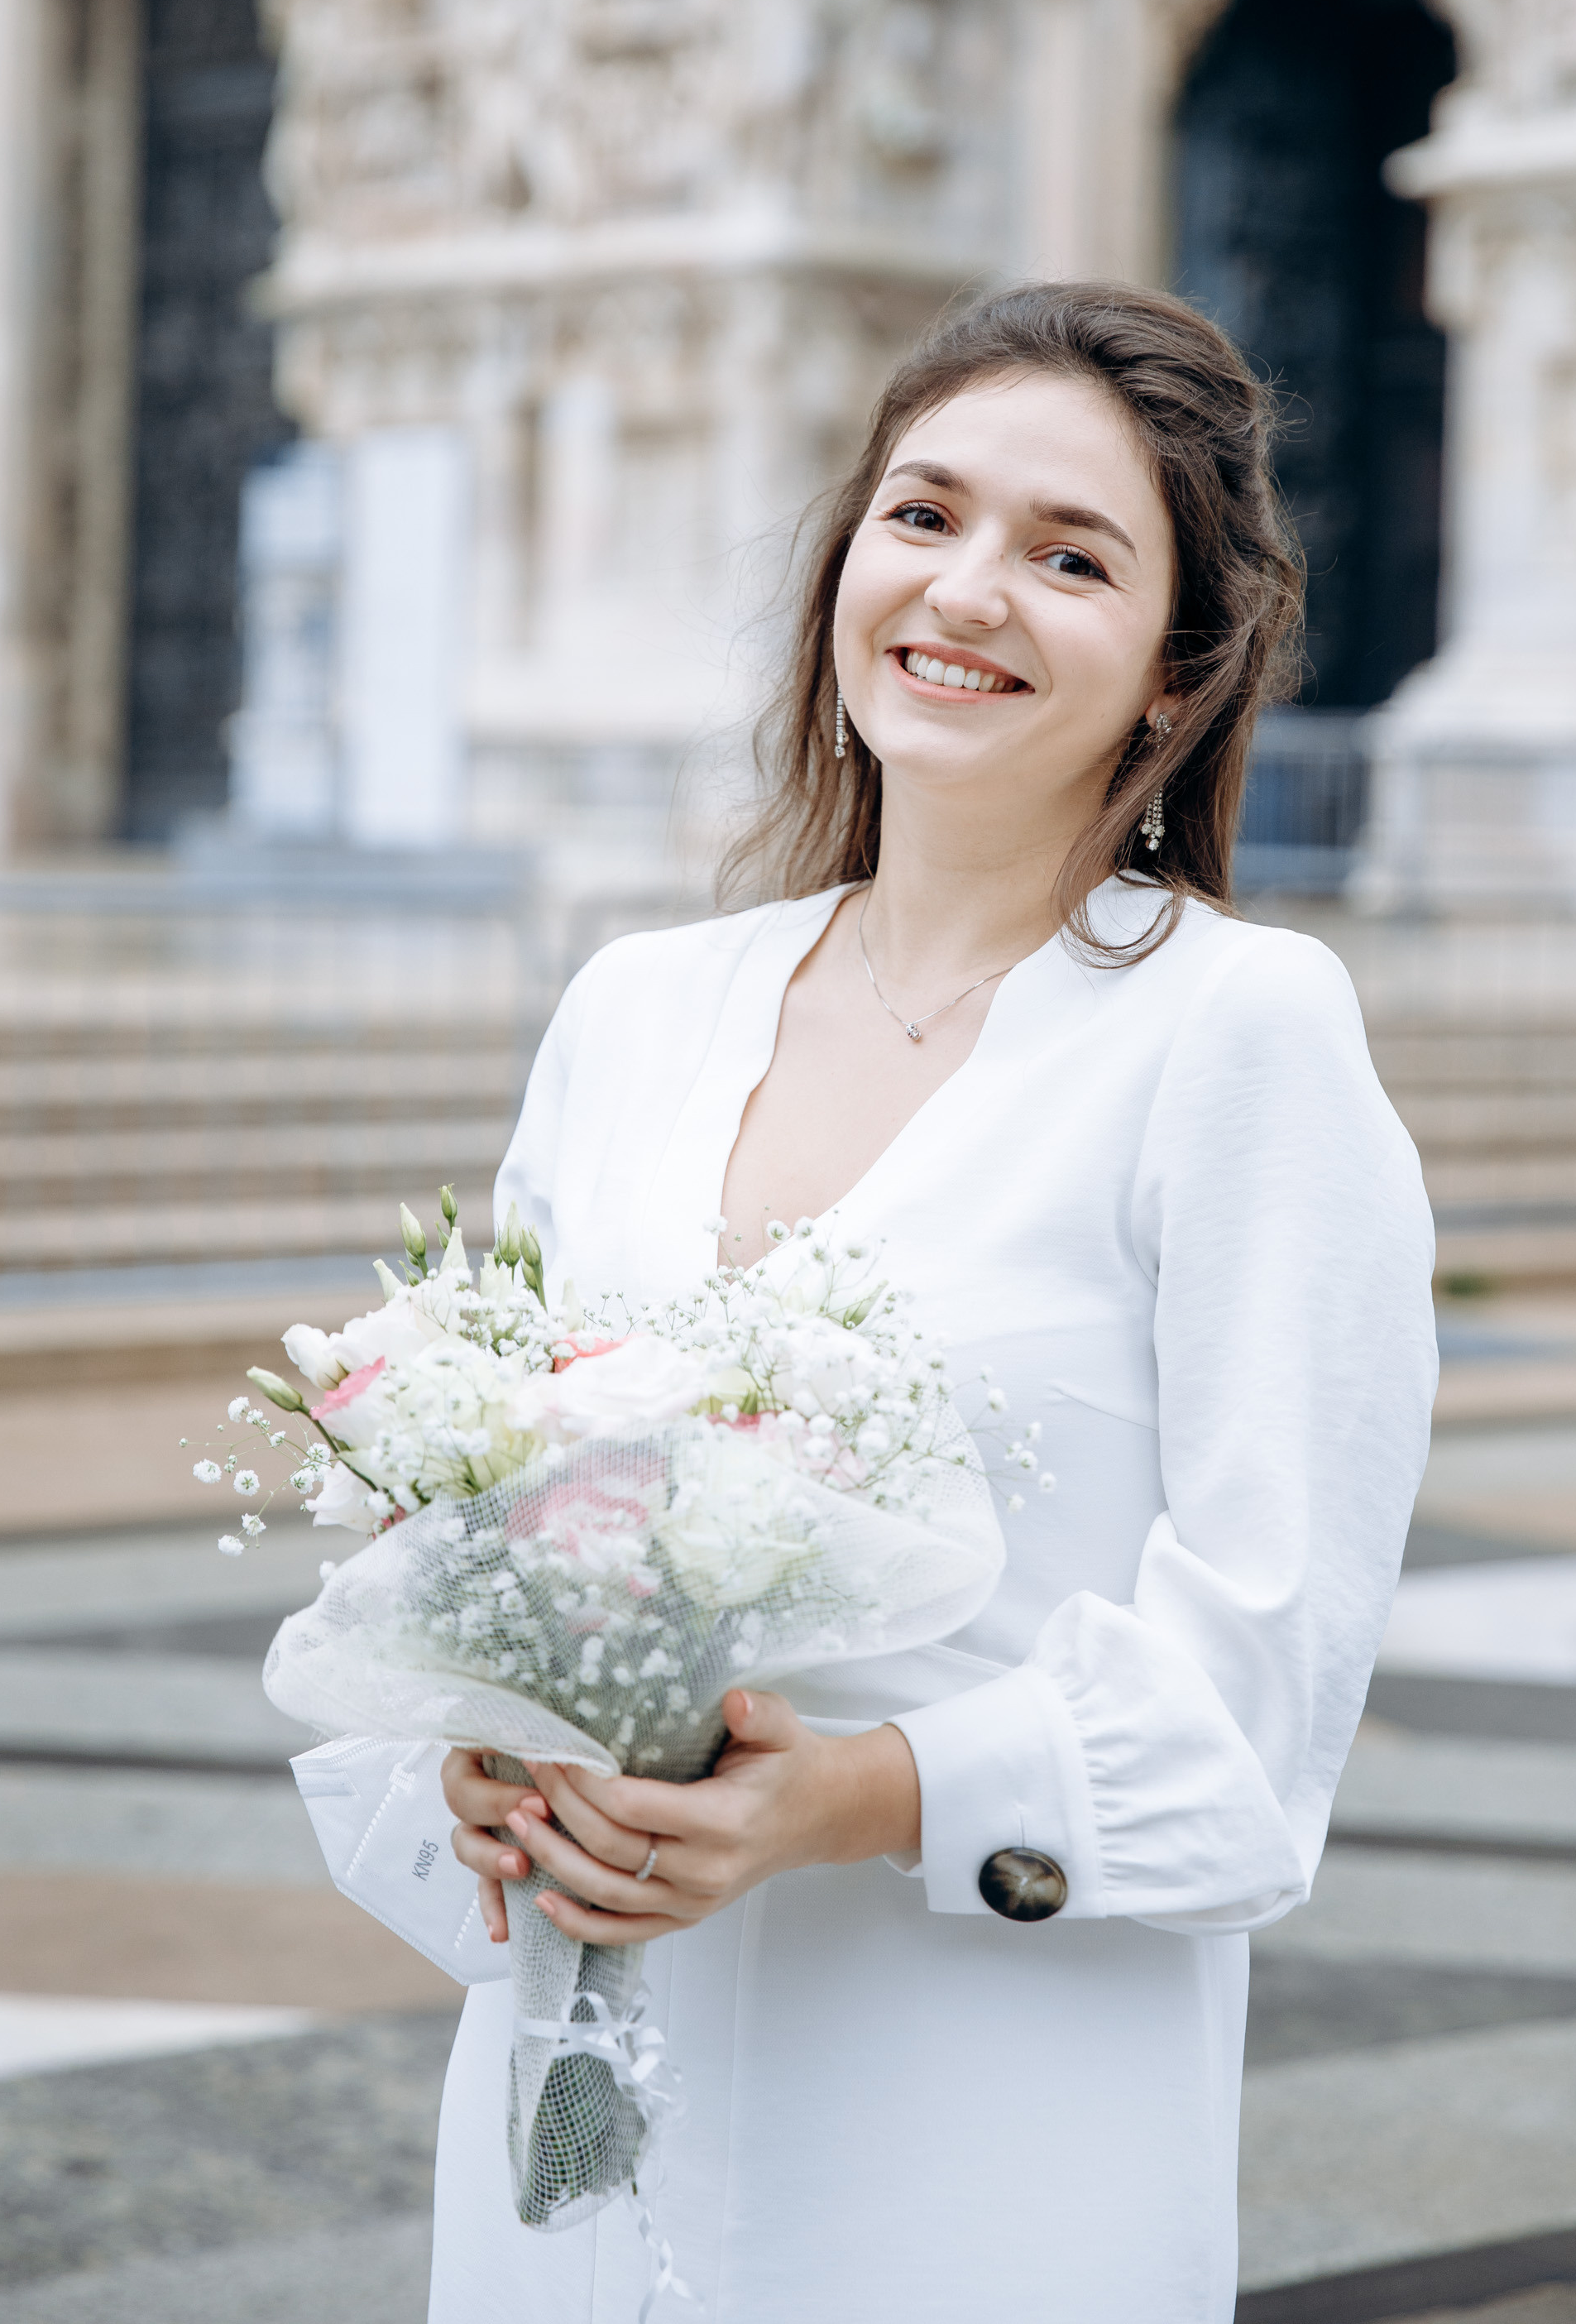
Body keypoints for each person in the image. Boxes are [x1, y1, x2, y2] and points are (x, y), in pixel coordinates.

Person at [428, 281, 1436, 2323]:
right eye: (925, 516)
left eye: (1072, 557)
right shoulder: (637, 1010)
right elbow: (461, 1483)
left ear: (1175, 670)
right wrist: (478, 1736)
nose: (970, 591)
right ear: (843, 567)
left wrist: (856, 1800)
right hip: (575, 2067)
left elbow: (1259, 1701)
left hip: (984, 2102)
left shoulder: (1241, 1034)